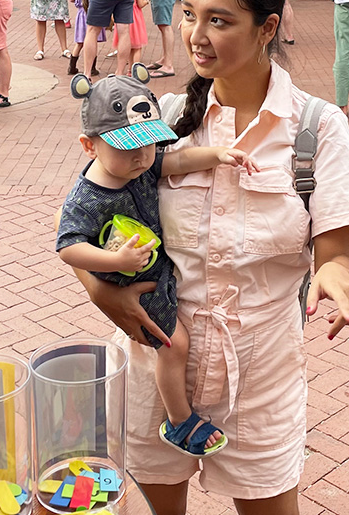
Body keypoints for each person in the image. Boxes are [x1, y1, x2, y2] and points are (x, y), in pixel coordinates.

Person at [70, 0, 349, 515]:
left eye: (219, 20)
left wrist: (340, 278)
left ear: (268, 28)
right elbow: (87, 216)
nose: (196, 35)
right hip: (154, 363)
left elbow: (334, 253)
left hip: (260, 374)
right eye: (189, 14)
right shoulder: (155, 120)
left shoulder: (315, 127)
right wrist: (103, 292)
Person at [58, 71, 254, 460]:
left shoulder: (141, 166)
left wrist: (216, 155)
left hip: (156, 272)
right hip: (134, 280)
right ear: (88, 145)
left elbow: (176, 160)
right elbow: (68, 247)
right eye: (127, 147)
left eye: (147, 145)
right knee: (174, 344)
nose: (141, 156)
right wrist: (113, 262)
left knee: (174, 342)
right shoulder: (87, 197)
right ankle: (179, 420)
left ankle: (179, 417)